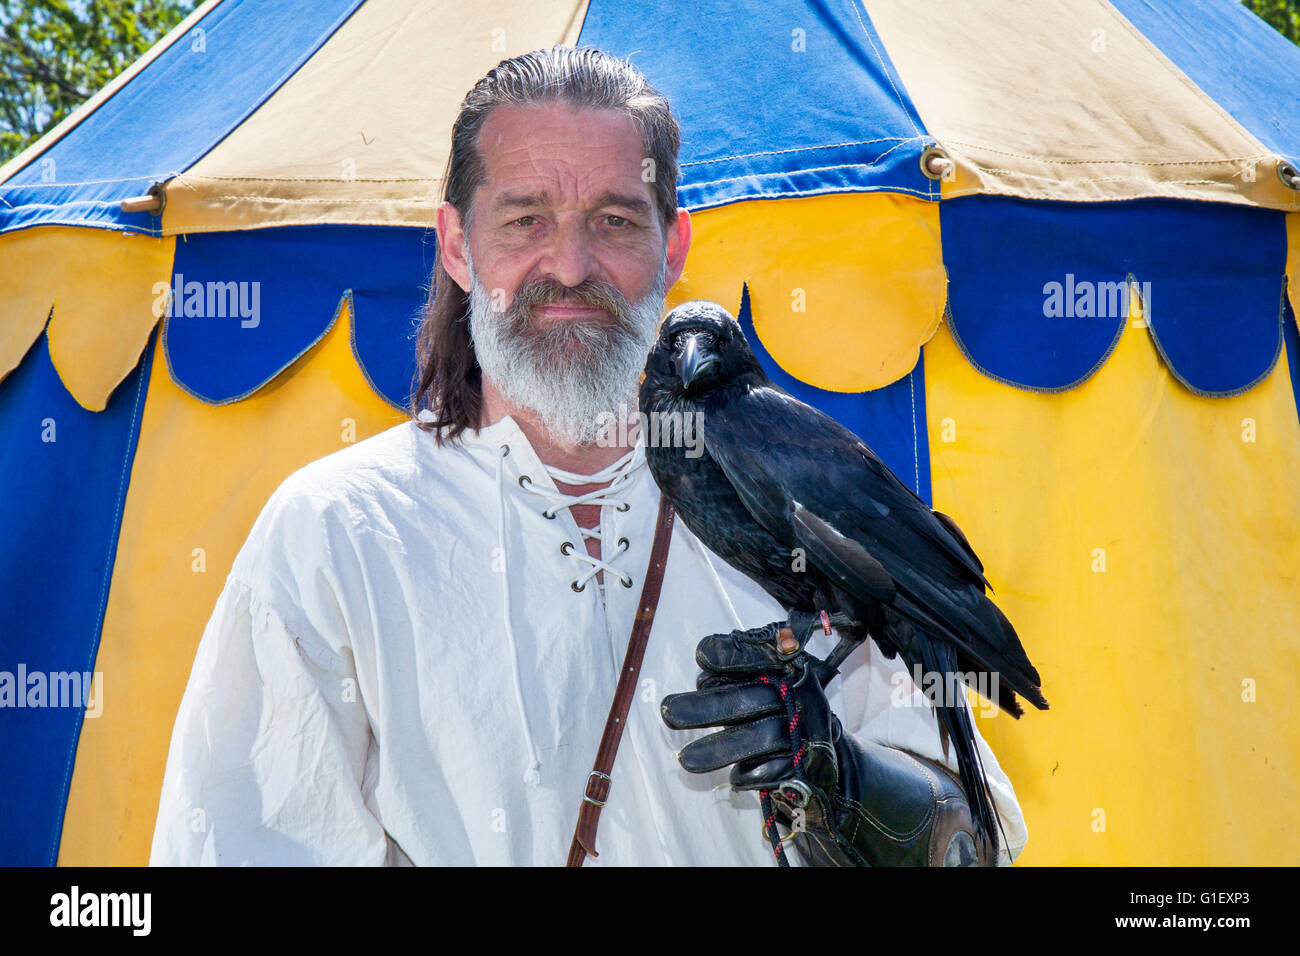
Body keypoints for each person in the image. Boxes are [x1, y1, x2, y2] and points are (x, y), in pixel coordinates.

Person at [150, 45, 1028, 867]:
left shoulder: (776, 480)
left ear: (671, 248)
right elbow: (237, 844)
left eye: (613, 221)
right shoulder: (337, 530)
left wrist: (843, 787)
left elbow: (968, 841)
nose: (569, 265)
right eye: (526, 218)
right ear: (456, 245)